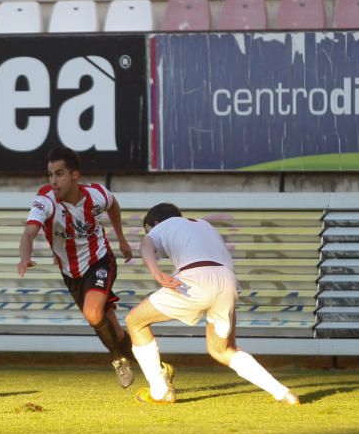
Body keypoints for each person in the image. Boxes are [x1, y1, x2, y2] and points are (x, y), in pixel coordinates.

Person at [125, 202, 301, 406]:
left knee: (135, 321)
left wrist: (156, 273)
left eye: (150, 228)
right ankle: (283, 393)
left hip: (195, 279)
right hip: (227, 280)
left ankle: (160, 391)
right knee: (224, 350)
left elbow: (146, 244)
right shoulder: (204, 226)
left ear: (155, 223)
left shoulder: (164, 225)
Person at [18, 146, 161, 390]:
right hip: (71, 273)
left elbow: (114, 205)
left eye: (59, 174)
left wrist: (121, 239)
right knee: (114, 329)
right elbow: (29, 233)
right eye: (50, 174)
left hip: (100, 260)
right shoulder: (44, 200)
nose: (53, 181)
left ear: (75, 175)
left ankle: (118, 359)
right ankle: (157, 368)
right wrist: (24, 257)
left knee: (93, 313)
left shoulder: (97, 195)